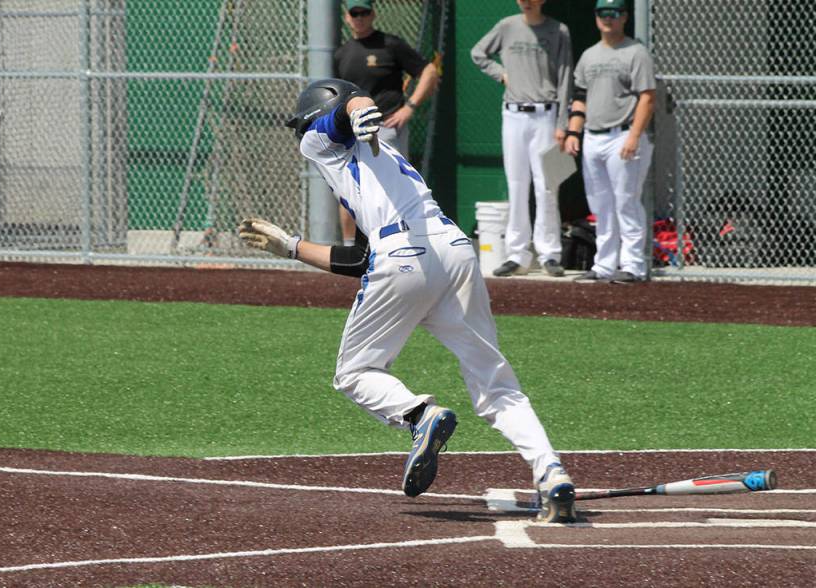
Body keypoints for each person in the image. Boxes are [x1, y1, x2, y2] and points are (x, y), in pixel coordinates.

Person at [237, 78, 576, 523]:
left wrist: (358, 107)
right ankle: (550, 471)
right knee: (495, 383)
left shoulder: (322, 142)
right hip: (453, 248)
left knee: (355, 372)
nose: (300, 135)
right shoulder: (381, 163)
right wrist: (293, 247)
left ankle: (419, 415)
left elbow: (342, 111)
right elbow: (360, 258)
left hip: (404, 254)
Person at [471, 0, 572, 278]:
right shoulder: (507, 26)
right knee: (517, 184)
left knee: (547, 185)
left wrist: (563, 123)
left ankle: (549, 253)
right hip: (514, 113)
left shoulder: (557, 30)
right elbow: (478, 53)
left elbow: (565, 77)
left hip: (546, 114)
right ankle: (517, 254)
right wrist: (501, 74)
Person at [333, 0, 440, 247]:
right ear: (347, 18)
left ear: (373, 14)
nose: (359, 17)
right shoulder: (342, 53)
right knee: (348, 189)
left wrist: (409, 108)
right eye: (354, 13)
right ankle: (351, 248)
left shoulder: (390, 45)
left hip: (385, 129)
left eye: (364, 12)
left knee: (392, 187)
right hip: (351, 132)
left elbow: (429, 72)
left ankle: (401, 242)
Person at [564, 0, 656, 283]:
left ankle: (633, 265)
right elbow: (580, 97)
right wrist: (573, 132)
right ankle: (604, 265)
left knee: (626, 202)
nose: (608, 18)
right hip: (593, 136)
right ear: (596, 17)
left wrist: (634, 136)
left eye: (614, 13)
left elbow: (648, 97)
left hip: (623, 134)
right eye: (603, 13)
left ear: (624, 17)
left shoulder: (636, 52)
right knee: (600, 205)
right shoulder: (589, 55)